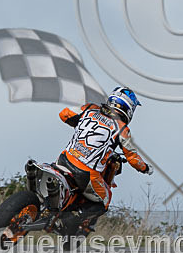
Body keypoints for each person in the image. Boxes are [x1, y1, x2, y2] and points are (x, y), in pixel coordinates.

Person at [37, 86, 152, 234]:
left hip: (63, 160)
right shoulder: (122, 129)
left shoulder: (89, 109)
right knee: (104, 201)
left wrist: (79, 123)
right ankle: (73, 219)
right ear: (128, 108)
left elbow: (64, 114)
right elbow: (133, 158)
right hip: (86, 173)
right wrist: (146, 168)